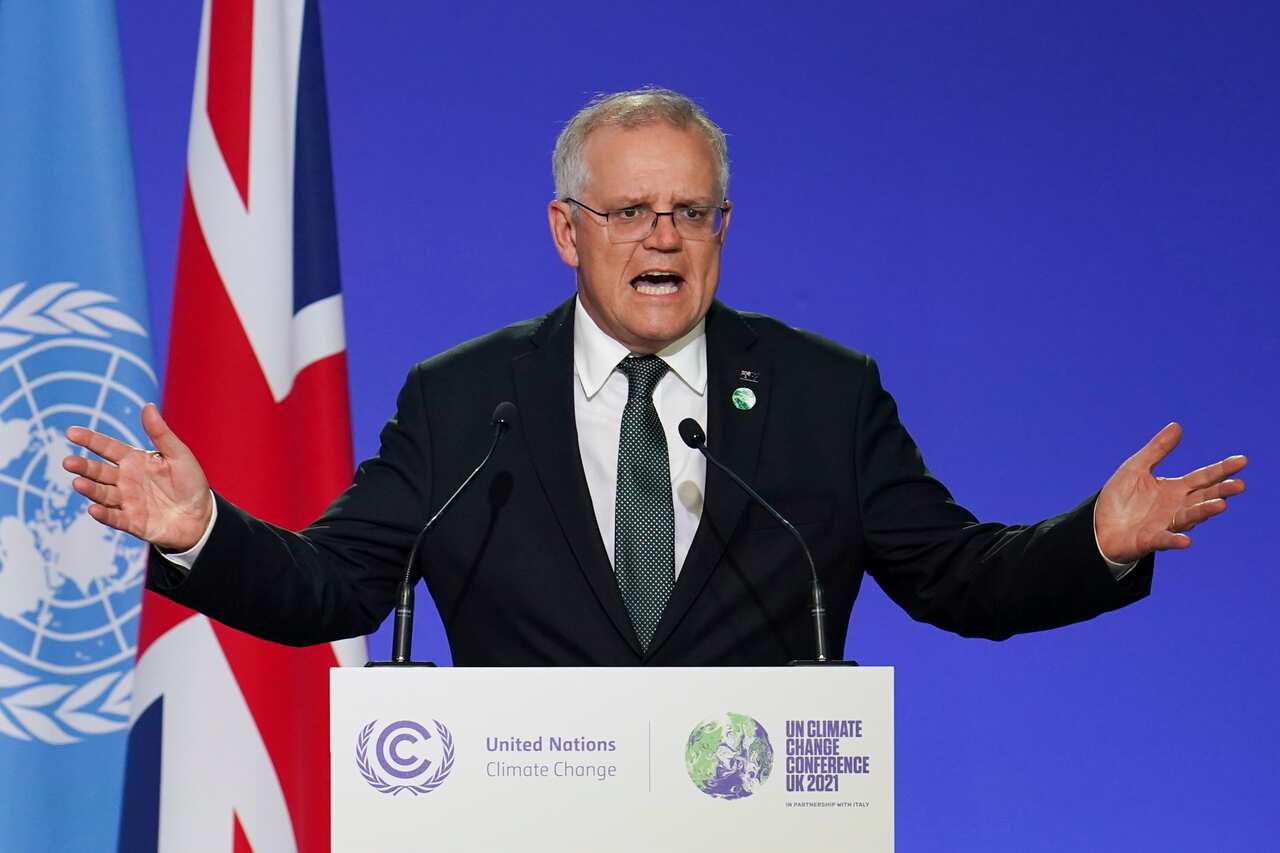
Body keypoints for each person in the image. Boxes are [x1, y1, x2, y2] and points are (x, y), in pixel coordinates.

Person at [63, 88, 1246, 665]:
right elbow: (337, 587)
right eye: (629, 211)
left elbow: (957, 578)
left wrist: (1092, 539)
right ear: (564, 230)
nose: (663, 238)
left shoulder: (822, 396)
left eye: (689, 211)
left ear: (723, 227)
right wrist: (203, 531)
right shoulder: (467, 400)